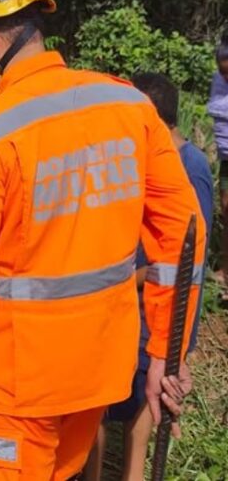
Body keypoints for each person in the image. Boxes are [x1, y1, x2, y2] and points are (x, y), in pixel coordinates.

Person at [0, 0, 204, 480]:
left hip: (17, 389)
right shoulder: (128, 106)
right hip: (99, 374)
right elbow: (183, 234)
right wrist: (162, 356)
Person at [85, 73, 213, 481]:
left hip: (156, 307)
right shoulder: (137, 160)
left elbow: (187, 259)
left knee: (143, 397)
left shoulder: (189, 169)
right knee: (103, 400)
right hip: (127, 300)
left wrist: (180, 344)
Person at [208, 29, 228, 294]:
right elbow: (216, 109)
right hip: (226, 156)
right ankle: (225, 269)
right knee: (226, 208)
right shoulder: (218, 80)